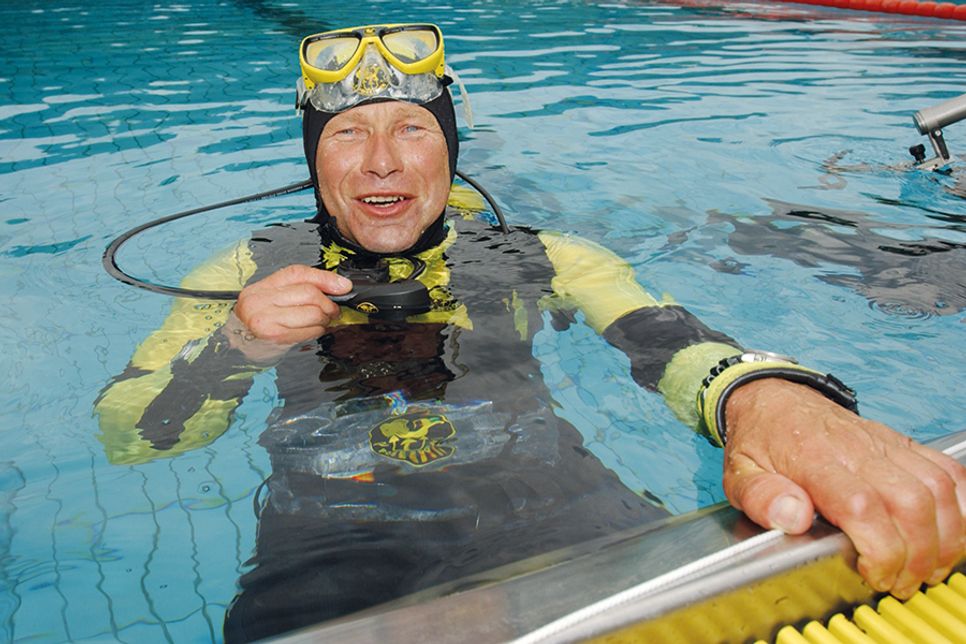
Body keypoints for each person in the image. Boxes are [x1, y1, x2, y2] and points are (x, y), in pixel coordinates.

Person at [95, 23, 966, 642]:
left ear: (450, 148)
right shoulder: (239, 272)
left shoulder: (544, 254)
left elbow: (668, 338)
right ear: (313, 158)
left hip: (551, 506)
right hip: (332, 537)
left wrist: (768, 398)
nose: (382, 162)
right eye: (348, 134)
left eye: (410, 128)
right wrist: (236, 345)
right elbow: (134, 437)